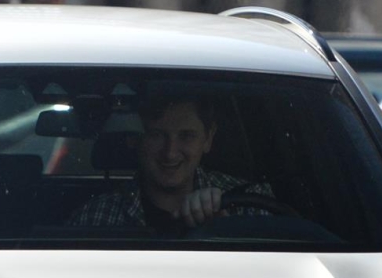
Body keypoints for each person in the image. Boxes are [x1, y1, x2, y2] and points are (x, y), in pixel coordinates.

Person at [71, 91, 275, 235]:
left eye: (186, 136)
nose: (170, 153)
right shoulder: (97, 217)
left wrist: (227, 230)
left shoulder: (249, 203)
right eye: (156, 135)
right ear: (135, 138)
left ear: (208, 139)